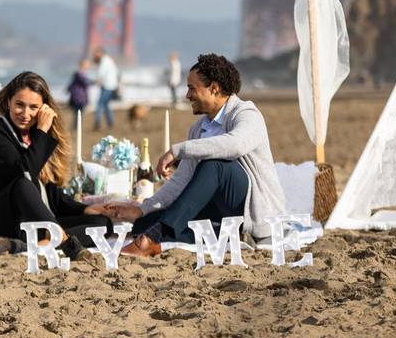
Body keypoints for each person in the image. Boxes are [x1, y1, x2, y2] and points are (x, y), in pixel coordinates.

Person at [101, 53, 285, 257]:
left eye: (191, 88)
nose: (187, 95)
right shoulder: (198, 129)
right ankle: (222, 235)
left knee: (214, 166)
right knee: (145, 223)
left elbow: (235, 144)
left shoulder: (246, 114)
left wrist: (177, 150)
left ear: (214, 88)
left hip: (253, 212)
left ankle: (155, 238)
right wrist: (144, 209)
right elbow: (181, 180)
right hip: (216, 212)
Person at [0, 71, 112, 260]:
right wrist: (42, 130)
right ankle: (65, 242)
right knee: (22, 183)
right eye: (19, 105)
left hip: (31, 223)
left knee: (102, 223)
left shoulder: (34, 136)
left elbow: (49, 191)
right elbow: (26, 173)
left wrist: (83, 209)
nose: (25, 114)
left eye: (33, 107)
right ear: (9, 101)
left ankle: (29, 245)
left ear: (44, 108)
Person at [92, 47, 119, 130]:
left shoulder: (104, 61)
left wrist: (93, 82)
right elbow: (117, 73)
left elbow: (100, 75)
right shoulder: (109, 60)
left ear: (101, 53)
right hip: (111, 86)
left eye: (96, 53)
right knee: (106, 105)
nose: (95, 55)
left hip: (108, 86)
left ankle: (97, 124)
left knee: (99, 105)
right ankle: (110, 123)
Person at [66, 59, 91, 128]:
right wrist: (95, 82)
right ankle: (76, 126)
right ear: (83, 65)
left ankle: (76, 125)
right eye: (87, 64)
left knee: (78, 111)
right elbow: (85, 82)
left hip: (80, 95)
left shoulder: (81, 73)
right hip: (78, 95)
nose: (88, 66)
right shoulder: (79, 73)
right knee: (78, 111)